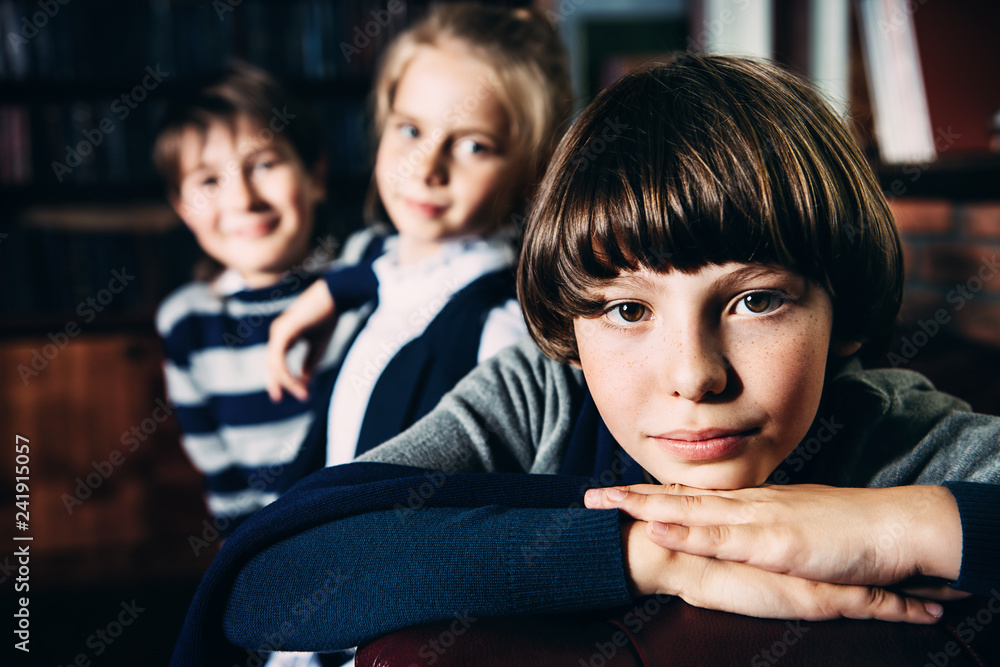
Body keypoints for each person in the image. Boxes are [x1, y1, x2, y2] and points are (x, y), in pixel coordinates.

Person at [171, 55, 1000, 666]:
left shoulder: (897, 434)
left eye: (756, 300)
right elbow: (268, 581)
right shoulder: (538, 398)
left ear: (843, 309)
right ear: (570, 324)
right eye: (627, 309)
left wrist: (894, 524)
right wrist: (650, 550)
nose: (695, 375)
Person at [264, 3, 573, 469]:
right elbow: (384, 271)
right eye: (410, 130)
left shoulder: (500, 330)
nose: (426, 168)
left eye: (474, 146)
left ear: (535, 166)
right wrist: (330, 292)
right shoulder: (372, 259)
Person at [154, 62, 345, 536]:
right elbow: (220, 471)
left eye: (263, 165)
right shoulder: (186, 322)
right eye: (208, 181)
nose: (242, 199)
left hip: (371, 529)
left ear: (315, 176)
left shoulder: (366, 277)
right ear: (181, 207)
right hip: (273, 546)